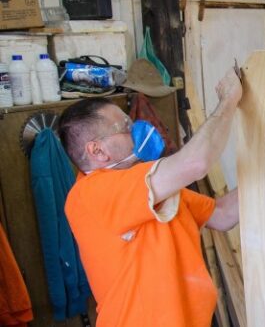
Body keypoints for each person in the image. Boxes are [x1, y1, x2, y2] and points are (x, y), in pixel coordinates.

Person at [57, 70, 243, 326]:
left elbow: (222, 215)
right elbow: (196, 162)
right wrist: (228, 102)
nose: (138, 131)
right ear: (97, 150)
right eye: (126, 128)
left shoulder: (150, 187)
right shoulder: (89, 195)